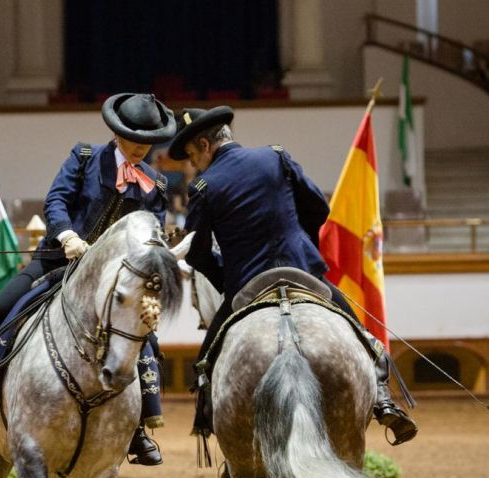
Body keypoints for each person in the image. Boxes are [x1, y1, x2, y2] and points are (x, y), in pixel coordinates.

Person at [0, 93, 177, 465]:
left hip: (110, 279)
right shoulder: (85, 157)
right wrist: (67, 235)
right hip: (57, 259)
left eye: (148, 143)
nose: (142, 148)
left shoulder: (155, 185)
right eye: (135, 141)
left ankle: (138, 429)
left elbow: (150, 228)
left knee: (144, 338)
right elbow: (56, 200)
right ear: (117, 133)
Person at [167, 105, 418, 448]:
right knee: (358, 330)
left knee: (207, 360)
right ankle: (383, 398)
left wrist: (227, 280)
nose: (192, 164)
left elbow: (195, 253)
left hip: (246, 281)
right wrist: (304, 252)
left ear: (204, 145)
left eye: (192, 156)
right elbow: (318, 208)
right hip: (300, 268)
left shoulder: (204, 186)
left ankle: (213, 425)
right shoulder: (276, 157)